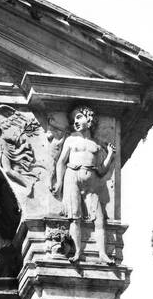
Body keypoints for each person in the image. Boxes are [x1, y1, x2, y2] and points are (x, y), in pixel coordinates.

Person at [50, 105, 116, 264]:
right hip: (72, 177)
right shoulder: (71, 140)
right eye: (73, 120)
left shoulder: (96, 144)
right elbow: (61, 162)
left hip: (91, 181)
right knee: (75, 217)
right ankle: (78, 252)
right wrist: (59, 182)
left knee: (99, 219)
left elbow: (101, 170)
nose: (75, 122)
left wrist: (110, 155)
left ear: (90, 118)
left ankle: (102, 253)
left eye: (79, 117)